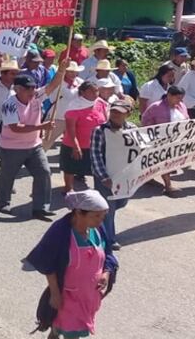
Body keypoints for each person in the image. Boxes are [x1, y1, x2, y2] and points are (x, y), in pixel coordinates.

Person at [24, 189, 118, 339]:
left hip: (90, 294)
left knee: (69, 326)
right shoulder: (61, 232)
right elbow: (48, 263)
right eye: (96, 216)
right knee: (75, 331)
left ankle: (56, 329)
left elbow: (108, 254)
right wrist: (55, 294)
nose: (101, 221)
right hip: (68, 293)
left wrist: (106, 273)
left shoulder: (98, 230)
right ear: (78, 213)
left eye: (103, 216)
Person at [0, 68, 66, 219]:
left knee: (44, 172)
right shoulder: (9, 105)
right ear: (18, 89)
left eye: (34, 87)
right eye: (29, 88)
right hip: (12, 147)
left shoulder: (36, 97)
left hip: (34, 145)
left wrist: (61, 70)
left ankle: (40, 207)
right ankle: (3, 202)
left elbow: (52, 86)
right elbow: (15, 128)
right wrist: (42, 126)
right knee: (7, 176)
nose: (33, 91)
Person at [89, 97, 137, 249]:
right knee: (108, 209)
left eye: (120, 112)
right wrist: (103, 177)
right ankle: (109, 239)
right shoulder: (100, 131)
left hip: (124, 178)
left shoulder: (133, 130)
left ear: (127, 114)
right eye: (113, 111)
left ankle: (95, 226)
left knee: (121, 203)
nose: (116, 115)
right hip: (106, 177)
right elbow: (95, 155)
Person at [61, 81, 108, 192]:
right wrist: (75, 146)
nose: (95, 93)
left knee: (97, 167)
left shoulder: (100, 102)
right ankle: (69, 189)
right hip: (75, 143)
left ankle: (99, 190)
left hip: (94, 144)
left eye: (96, 90)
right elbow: (70, 129)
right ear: (82, 92)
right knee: (70, 168)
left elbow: (105, 120)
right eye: (91, 90)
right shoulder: (74, 106)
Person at [141, 86, 188, 196]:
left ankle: (148, 178)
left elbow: (187, 119)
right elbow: (145, 120)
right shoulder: (156, 107)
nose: (179, 101)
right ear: (169, 95)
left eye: (181, 98)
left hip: (177, 140)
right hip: (160, 140)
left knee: (169, 163)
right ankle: (168, 185)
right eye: (177, 98)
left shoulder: (182, 106)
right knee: (165, 162)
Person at [44, 61, 84, 148]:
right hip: (58, 116)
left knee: (73, 142)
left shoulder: (80, 83)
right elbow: (51, 98)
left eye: (74, 71)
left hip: (74, 118)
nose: (73, 74)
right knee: (47, 141)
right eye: (70, 71)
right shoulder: (58, 83)